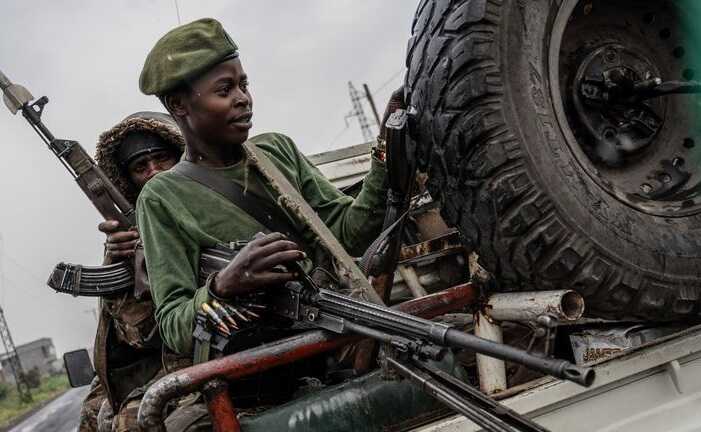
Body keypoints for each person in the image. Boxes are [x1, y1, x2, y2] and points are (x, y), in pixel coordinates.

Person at [135, 17, 404, 427]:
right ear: (179, 107)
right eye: (225, 90)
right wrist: (224, 286)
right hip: (258, 383)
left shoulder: (276, 152)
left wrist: (386, 149)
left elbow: (349, 231)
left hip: (337, 344)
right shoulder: (162, 197)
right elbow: (173, 323)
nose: (244, 99)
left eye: (244, 84)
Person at [78, 112, 184, 432]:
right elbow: (137, 336)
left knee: (132, 421)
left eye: (162, 158)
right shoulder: (129, 238)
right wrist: (122, 264)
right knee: (93, 413)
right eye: (141, 167)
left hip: (193, 352)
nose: (153, 172)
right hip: (153, 357)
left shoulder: (210, 202)